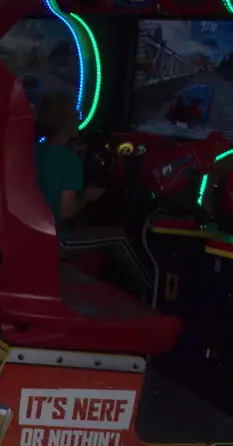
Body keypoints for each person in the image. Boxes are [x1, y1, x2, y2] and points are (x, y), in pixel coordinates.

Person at [32, 92, 151, 303]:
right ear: (67, 121)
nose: (79, 117)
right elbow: (66, 212)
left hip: (33, 233)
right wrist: (87, 197)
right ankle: (151, 294)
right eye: (75, 114)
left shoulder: (35, 151)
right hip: (57, 241)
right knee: (120, 237)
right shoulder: (69, 161)